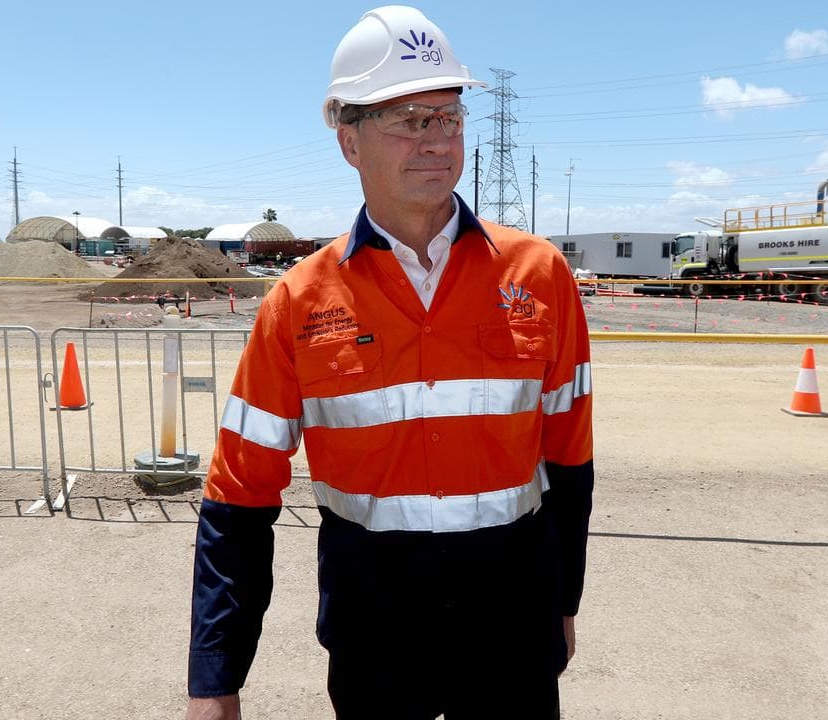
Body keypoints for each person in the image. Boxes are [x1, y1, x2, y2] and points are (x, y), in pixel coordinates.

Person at [185, 6, 594, 719]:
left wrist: (563, 602)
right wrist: (216, 678)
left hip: (513, 626)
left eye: (449, 117)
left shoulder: (540, 275)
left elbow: (570, 462)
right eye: (409, 120)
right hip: (375, 632)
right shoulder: (298, 301)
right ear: (349, 139)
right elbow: (238, 499)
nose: (437, 141)